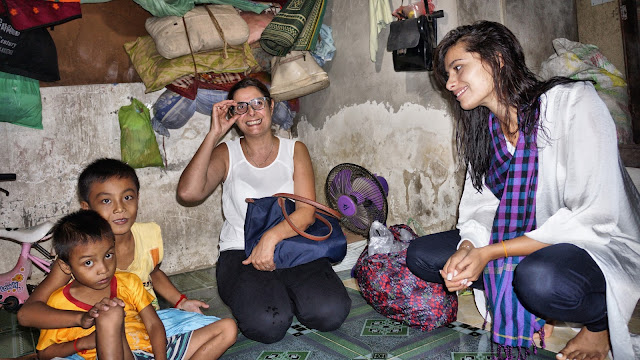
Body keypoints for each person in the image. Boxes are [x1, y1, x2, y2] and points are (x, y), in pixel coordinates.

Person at [405, 21, 640, 360]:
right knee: (423, 256)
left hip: (596, 241)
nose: (451, 84)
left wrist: (488, 253)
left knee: (540, 279)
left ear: (497, 59)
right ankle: (528, 302)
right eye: (448, 75)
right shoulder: (484, 130)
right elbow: (483, 206)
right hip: (522, 237)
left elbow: (592, 217)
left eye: (458, 68)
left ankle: (598, 324)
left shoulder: (573, 104)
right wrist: (470, 247)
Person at [177, 77, 351, 344]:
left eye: (257, 103)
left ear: (270, 106)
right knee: (268, 325)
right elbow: (188, 194)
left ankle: (284, 291)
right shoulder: (227, 153)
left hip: (293, 246)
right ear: (232, 115)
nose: (251, 113)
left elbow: (305, 213)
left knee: (329, 313)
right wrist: (213, 134)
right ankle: (273, 295)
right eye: (241, 107)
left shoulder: (295, 150)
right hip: (242, 252)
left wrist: (269, 239)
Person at [18, 158, 237, 357]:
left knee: (224, 327)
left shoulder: (148, 234)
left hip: (148, 321)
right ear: (86, 208)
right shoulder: (75, 255)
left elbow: (153, 271)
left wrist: (181, 301)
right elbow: (27, 314)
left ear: (137, 198)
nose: (120, 208)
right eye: (106, 201)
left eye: (127, 197)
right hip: (98, 331)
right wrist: (81, 320)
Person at [37, 209, 234, 360]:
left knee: (228, 327)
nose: (103, 268)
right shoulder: (58, 302)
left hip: (154, 351)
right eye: (88, 262)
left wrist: (160, 358)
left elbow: (153, 324)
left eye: (108, 255)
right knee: (111, 313)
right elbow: (45, 353)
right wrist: (84, 342)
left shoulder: (129, 282)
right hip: (116, 355)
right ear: (66, 266)